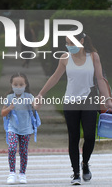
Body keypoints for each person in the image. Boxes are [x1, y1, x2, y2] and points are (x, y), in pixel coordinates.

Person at [36, 31, 112, 185]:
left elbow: (100, 79)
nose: (69, 46)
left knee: (90, 136)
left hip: (89, 99)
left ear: (82, 41)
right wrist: (41, 94)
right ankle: (76, 173)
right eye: (67, 43)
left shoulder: (93, 56)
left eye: (71, 43)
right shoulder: (64, 58)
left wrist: (108, 99)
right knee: (74, 137)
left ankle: (85, 164)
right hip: (70, 101)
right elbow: (55, 77)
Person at [1, 73, 41, 184]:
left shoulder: (29, 97)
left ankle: (22, 173)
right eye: (16, 84)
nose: (18, 87)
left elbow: (36, 107)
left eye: (21, 84)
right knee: (12, 148)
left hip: (26, 129)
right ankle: (12, 173)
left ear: (25, 85)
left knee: (23, 151)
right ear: (11, 85)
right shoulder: (9, 98)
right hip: (12, 128)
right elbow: (3, 113)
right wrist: (10, 107)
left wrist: (39, 102)